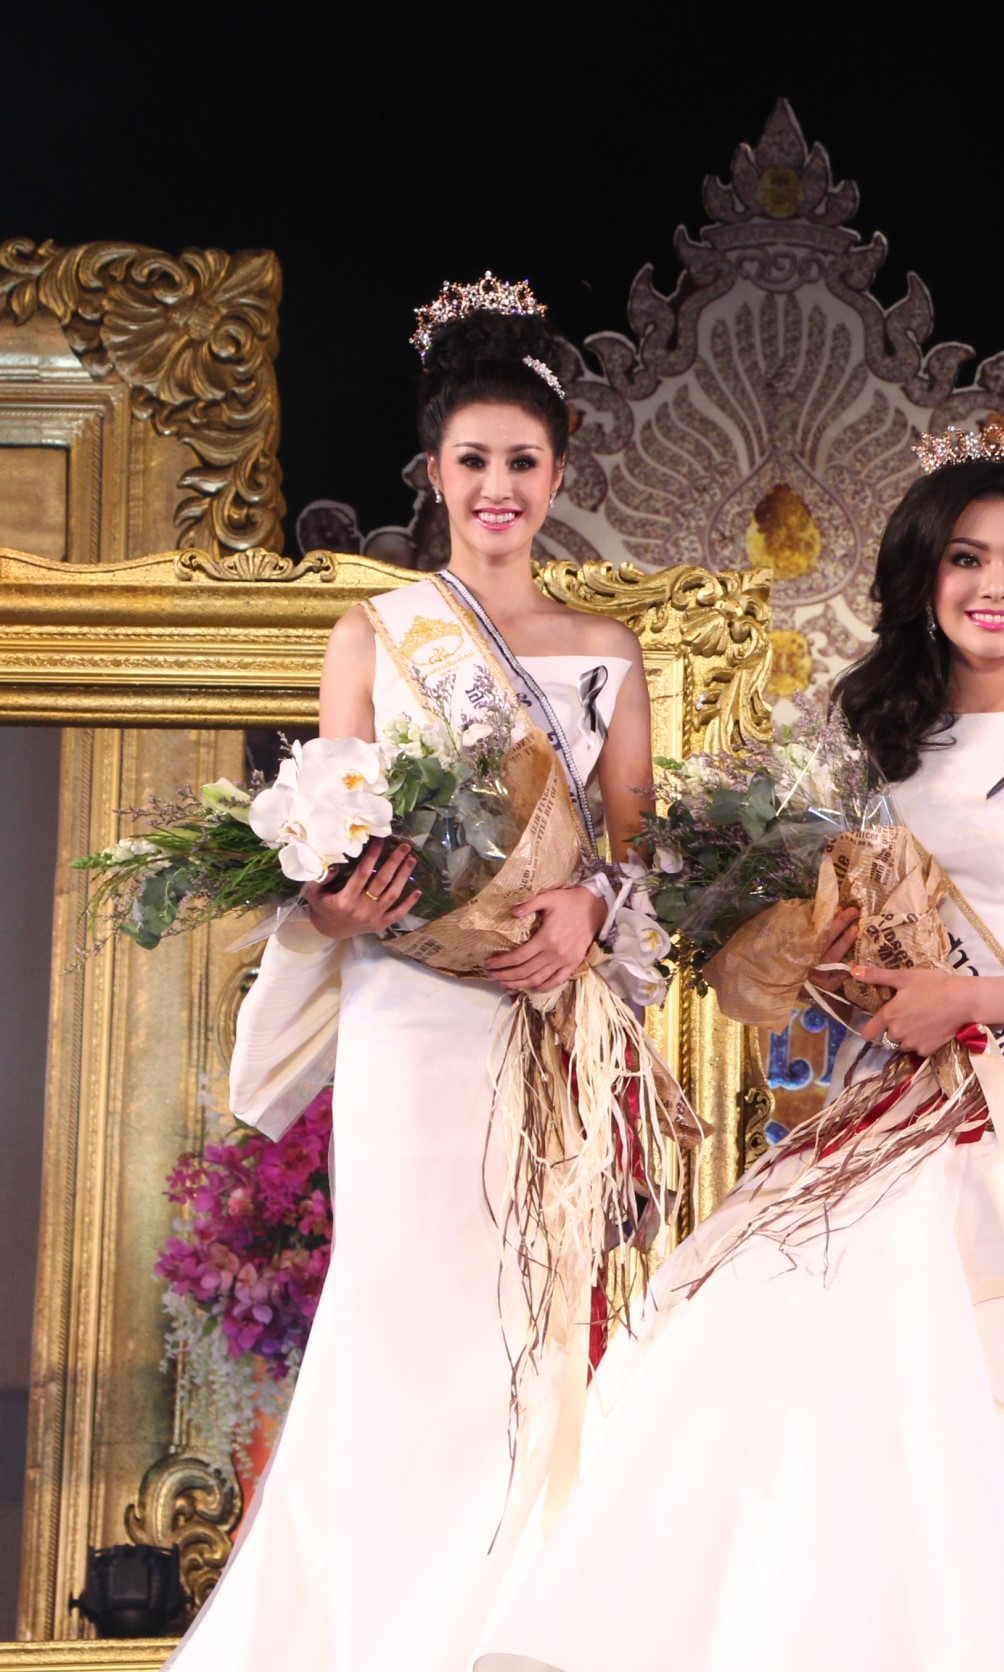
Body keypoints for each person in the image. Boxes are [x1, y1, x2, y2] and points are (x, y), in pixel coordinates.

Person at [476, 425, 1004, 1672]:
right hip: (865, 1102)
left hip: (1002, 1120)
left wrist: (962, 1005)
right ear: (925, 576)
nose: (996, 585)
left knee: (966, 1401)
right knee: (775, 1361)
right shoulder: (882, 740)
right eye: (968, 558)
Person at [182, 277, 655, 1670]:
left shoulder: (606, 653)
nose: (498, 488)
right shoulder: (379, 638)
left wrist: (584, 908)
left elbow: (647, 856)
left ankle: (510, 1622)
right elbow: (331, 844)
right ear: (434, 475)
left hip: (540, 1023)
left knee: (526, 1314)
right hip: (408, 1024)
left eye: (524, 463)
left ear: (559, 475)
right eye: (473, 463)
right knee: (398, 1308)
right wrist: (332, 911)